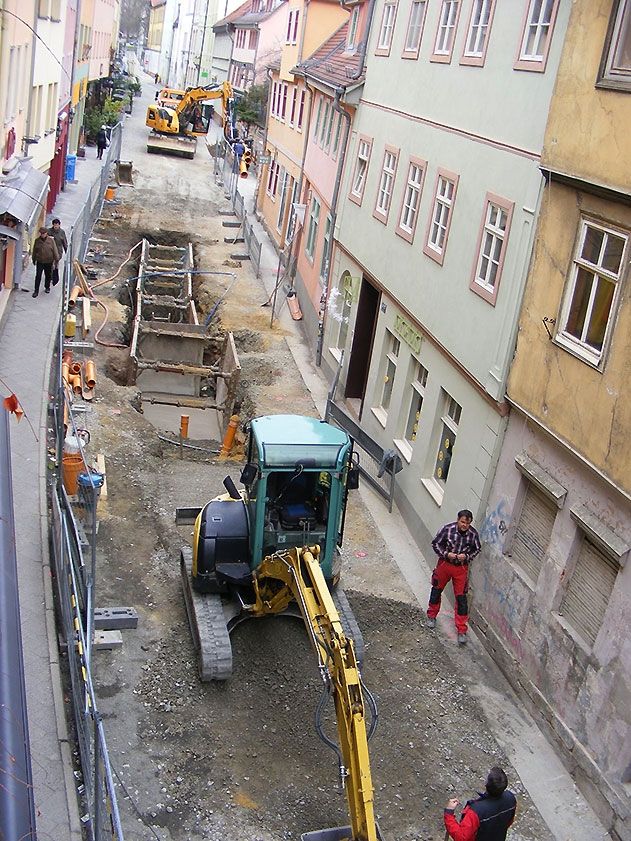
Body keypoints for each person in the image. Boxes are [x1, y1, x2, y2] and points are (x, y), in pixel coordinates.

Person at [426, 509, 481, 644]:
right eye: (462, 522)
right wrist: (445, 554)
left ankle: (462, 630)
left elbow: (477, 548)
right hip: (445, 564)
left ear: (470, 523)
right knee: (436, 590)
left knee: (461, 599)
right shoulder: (447, 529)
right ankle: (431, 616)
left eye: (467, 523)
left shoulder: (473, 534)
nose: (464, 525)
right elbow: (435, 544)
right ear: (458, 520)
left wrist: (467, 556)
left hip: (461, 568)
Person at [444, 767, 517, 840]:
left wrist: (449, 813)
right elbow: (508, 822)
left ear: (486, 784)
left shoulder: (475, 812)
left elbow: (461, 838)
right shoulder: (510, 798)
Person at [31, 227, 60, 298]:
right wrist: (34, 259)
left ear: (46, 233)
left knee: (48, 275)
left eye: (43, 233)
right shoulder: (37, 241)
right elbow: (35, 251)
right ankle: (36, 290)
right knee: (38, 276)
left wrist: (57, 259)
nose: (42, 235)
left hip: (48, 261)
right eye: (41, 233)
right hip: (40, 261)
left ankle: (47, 287)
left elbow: (55, 250)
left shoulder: (51, 241)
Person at [48, 218, 67, 287]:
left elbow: (64, 242)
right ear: (53, 225)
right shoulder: (49, 231)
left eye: (57, 225)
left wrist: (66, 251)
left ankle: (54, 276)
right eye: (55, 225)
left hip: (58, 251)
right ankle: (50, 276)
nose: (56, 226)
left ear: (59, 225)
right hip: (50, 251)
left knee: (55, 264)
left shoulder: (62, 232)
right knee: (51, 264)